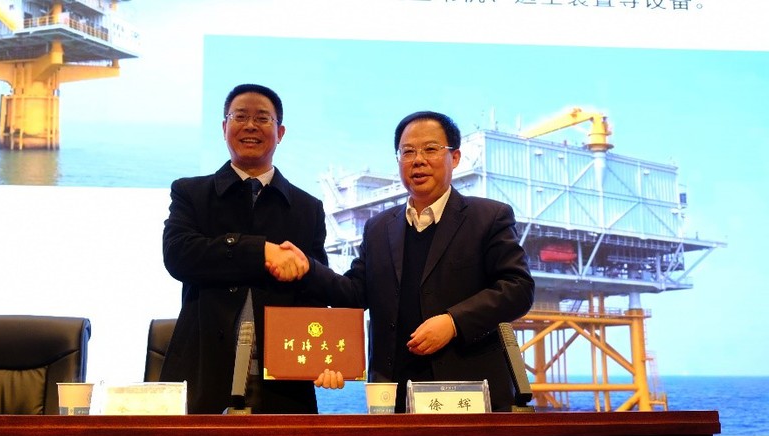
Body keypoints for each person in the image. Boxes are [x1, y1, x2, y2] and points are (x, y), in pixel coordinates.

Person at [272, 111, 535, 412]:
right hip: (392, 396)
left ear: (455, 157)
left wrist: (453, 322)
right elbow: (355, 294)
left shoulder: (489, 217)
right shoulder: (378, 228)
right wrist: (309, 267)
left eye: (431, 149)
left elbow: (518, 287)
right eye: (408, 152)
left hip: (467, 394)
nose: (418, 160)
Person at [160, 83, 329, 414]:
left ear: (280, 132)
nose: (251, 126)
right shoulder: (190, 193)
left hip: (284, 381)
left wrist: (322, 357)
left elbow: (314, 293)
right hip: (205, 367)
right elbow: (179, 255)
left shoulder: (307, 207)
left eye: (262, 118)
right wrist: (261, 251)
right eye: (240, 117)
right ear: (224, 127)